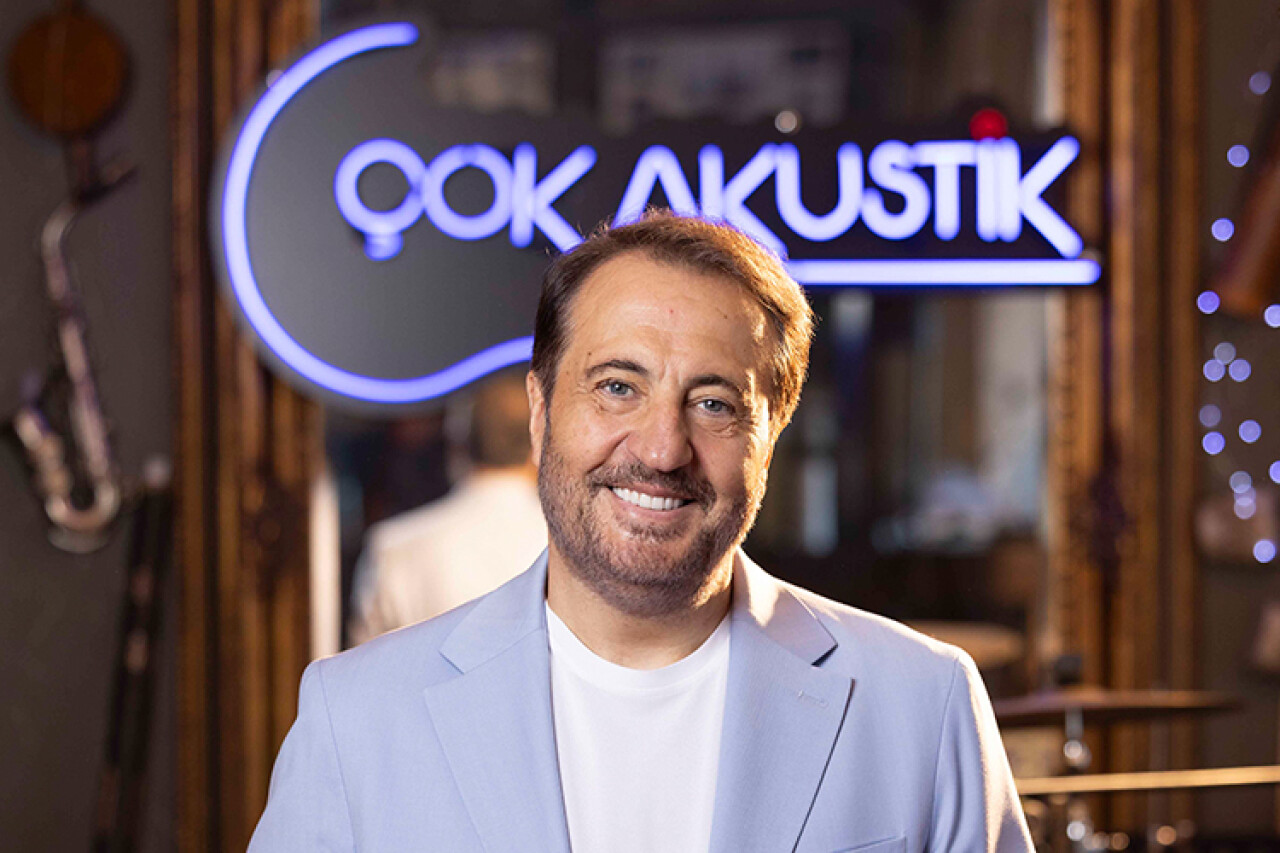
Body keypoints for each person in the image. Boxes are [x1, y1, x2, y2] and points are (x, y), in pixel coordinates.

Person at [250, 211, 1033, 852]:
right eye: (618, 386)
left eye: (715, 403)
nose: (662, 449)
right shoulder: (356, 719)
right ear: (541, 412)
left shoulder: (921, 705)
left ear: (772, 439)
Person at [347, 371, 546, 645]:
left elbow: (365, 665)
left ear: (457, 445)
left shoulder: (394, 546)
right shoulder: (571, 547)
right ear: (541, 446)